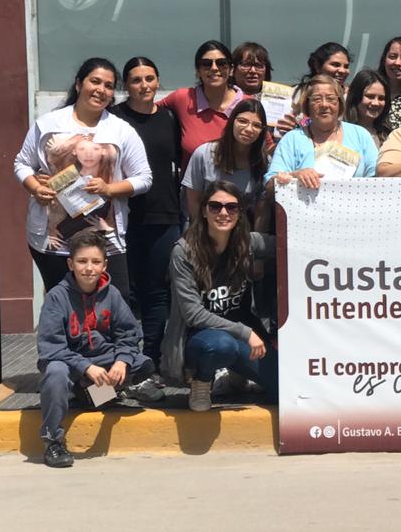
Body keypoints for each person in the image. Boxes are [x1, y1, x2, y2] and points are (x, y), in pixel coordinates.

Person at [14, 58, 152, 304]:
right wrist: (35, 188)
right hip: (54, 239)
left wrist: (109, 188)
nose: (101, 90)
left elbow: (144, 178)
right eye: (95, 81)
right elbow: (22, 164)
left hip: (106, 239)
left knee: (113, 305)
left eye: (108, 86)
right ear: (79, 84)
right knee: (63, 307)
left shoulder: (121, 130)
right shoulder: (49, 124)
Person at [35, 231, 155, 468]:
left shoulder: (112, 294)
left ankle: (92, 394)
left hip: (103, 358)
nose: (89, 268)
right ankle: (53, 442)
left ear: (104, 265)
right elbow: (50, 348)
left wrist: (121, 361)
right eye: (82, 261)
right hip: (69, 363)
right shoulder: (57, 297)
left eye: (95, 262)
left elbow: (129, 334)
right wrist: (85, 367)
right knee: (55, 373)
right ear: (71, 263)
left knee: (142, 364)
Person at [163, 182, 276, 411]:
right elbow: (194, 315)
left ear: (240, 213)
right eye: (215, 207)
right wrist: (246, 333)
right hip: (201, 338)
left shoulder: (249, 243)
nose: (223, 213)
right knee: (222, 346)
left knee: (284, 390)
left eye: (231, 207)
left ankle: (236, 375)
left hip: (242, 335)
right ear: (204, 211)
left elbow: (289, 244)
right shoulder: (184, 251)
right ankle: (202, 380)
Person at [109, 56, 181, 396]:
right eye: (136, 80)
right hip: (120, 217)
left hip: (163, 215)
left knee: (155, 293)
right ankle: (119, 364)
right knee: (122, 294)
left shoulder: (169, 118)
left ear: (157, 81)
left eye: (149, 78)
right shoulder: (114, 120)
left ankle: (150, 362)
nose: (144, 85)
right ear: (126, 85)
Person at [267, 74, 379, 186]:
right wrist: (294, 176)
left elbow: (376, 178)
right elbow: (270, 183)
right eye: (316, 99)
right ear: (307, 105)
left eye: (331, 99)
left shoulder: (360, 135)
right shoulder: (292, 139)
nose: (324, 104)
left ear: (340, 104)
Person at [161, 40, 249, 167]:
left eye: (222, 63)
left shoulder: (248, 104)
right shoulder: (183, 98)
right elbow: (146, 111)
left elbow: (267, 148)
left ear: (231, 70)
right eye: (206, 64)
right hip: (193, 186)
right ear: (198, 71)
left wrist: (286, 132)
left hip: (238, 186)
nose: (214, 68)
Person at [183, 98, 271, 222]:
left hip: (240, 232)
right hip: (202, 228)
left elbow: (261, 209)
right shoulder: (203, 154)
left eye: (256, 125)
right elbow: (193, 202)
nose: (249, 129)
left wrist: (256, 238)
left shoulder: (264, 162)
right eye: (242, 121)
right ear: (232, 122)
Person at [345, 70, 391, 147]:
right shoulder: (338, 128)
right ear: (356, 96)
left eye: (381, 98)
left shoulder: (388, 136)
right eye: (370, 96)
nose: (375, 103)